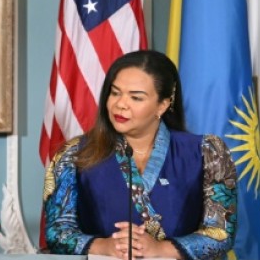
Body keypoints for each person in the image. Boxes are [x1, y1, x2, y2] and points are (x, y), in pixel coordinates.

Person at [42, 50, 237, 259]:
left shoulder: (207, 152)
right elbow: (57, 232)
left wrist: (160, 249)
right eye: (115, 93)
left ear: (162, 105)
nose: (120, 104)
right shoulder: (73, 154)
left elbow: (221, 233)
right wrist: (105, 246)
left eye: (135, 97)